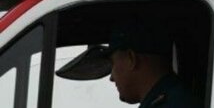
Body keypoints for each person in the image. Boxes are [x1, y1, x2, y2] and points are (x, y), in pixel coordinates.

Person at [56, 18, 202, 107]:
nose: (111, 77)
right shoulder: (176, 98)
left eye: (113, 63)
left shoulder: (173, 104)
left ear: (131, 59)